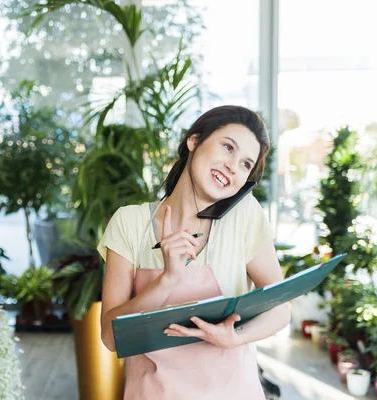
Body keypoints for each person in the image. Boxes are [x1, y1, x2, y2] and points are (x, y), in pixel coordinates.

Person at [97, 105, 291, 399]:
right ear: (194, 141)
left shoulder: (244, 216)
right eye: (228, 148)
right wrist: (168, 279)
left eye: (245, 164)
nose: (232, 166)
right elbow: (111, 337)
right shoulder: (130, 222)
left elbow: (280, 308)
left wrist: (234, 336)